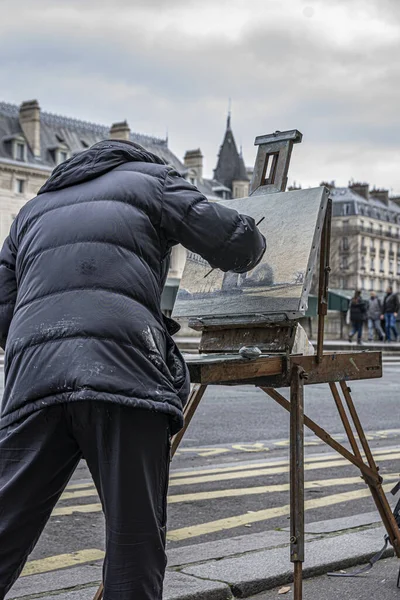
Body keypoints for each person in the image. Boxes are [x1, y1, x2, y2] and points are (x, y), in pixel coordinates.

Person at [0, 139, 266, 600]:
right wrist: (258, 237)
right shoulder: (153, 180)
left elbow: (3, 306)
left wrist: (49, 345)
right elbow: (236, 242)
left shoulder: (32, 210)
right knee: (134, 544)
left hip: (34, 377)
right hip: (123, 373)